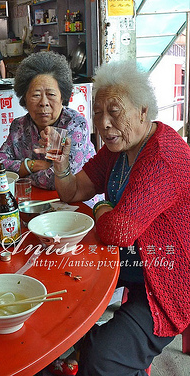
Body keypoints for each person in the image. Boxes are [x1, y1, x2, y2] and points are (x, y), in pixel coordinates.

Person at [51, 61, 190, 375]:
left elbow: (119, 230)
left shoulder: (162, 155)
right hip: (131, 262)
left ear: (143, 111)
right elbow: (72, 192)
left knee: (103, 358)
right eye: (98, 112)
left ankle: (107, 355)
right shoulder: (118, 147)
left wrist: (102, 209)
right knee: (56, 292)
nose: (104, 123)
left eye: (114, 111)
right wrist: (61, 167)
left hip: (169, 276)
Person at [0, 51, 95, 190]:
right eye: (36, 95)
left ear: (62, 97)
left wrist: (22, 176)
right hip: (34, 199)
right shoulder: (19, 126)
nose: (43, 103)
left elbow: (56, 181)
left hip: (76, 201)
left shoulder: (74, 125)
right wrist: (33, 165)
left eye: (51, 94)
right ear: (25, 99)